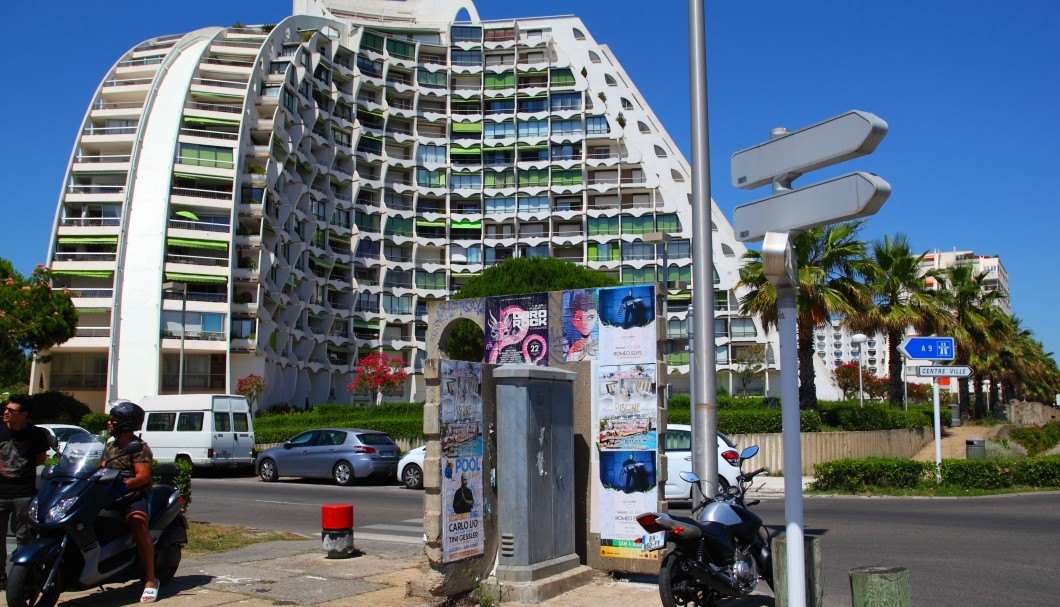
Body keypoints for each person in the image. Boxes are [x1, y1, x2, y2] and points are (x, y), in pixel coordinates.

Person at [103, 401, 159, 603]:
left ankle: (150, 579)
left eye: (114, 419)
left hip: (135, 495)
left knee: (138, 524)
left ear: (126, 423)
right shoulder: (110, 446)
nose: (110, 422)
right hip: (111, 493)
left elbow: (142, 477)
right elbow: (100, 469)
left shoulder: (139, 447)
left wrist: (123, 485)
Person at [0, 394, 49, 590]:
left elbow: (40, 459)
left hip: (24, 493)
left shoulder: (35, 434)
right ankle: (1, 578)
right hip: (0, 492)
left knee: (24, 537)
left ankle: (23, 577)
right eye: (5, 408)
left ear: (24, 414)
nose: (5, 412)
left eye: (11, 410)